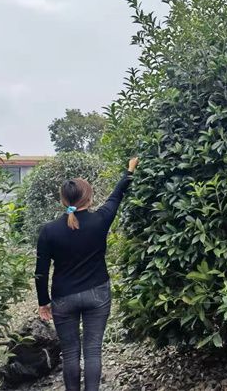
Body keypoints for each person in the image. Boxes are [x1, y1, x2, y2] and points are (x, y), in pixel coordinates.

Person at [34, 157, 139, 391]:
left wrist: (43, 303)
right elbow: (116, 195)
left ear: (63, 199)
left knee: (70, 354)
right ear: (89, 198)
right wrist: (129, 170)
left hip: (63, 298)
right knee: (92, 351)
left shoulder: (48, 231)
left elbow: (40, 272)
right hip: (97, 294)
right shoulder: (100, 220)